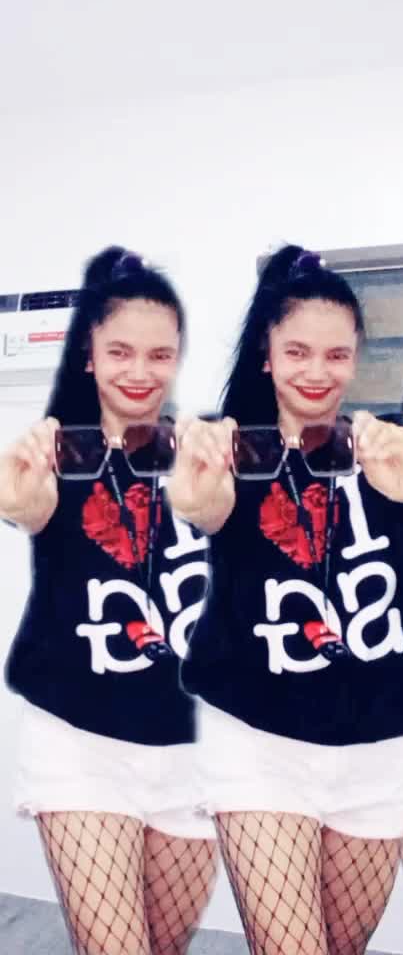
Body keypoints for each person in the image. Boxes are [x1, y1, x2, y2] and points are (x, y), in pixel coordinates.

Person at [167, 245, 403, 955]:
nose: (318, 372)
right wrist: (195, 482)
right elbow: (203, 506)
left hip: (380, 743)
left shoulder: (388, 446)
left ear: (355, 358)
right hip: (259, 745)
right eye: (297, 352)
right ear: (267, 356)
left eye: (336, 355)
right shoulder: (234, 451)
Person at [1, 247, 218, 955]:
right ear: (89, 356)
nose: (139, 371)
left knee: (164, 943)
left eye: (159, 354)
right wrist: (18, 490)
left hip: (197, 745)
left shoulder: (205, 452)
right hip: (80, 742)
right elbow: (22, 505)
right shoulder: (56, 455)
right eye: (120, 351)